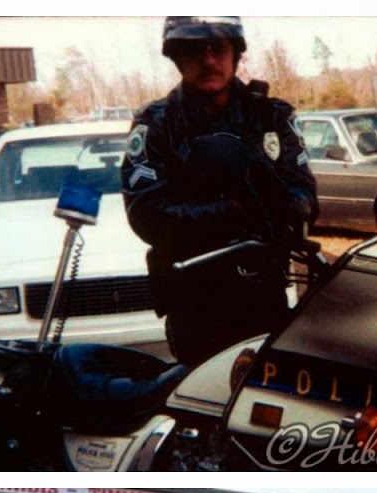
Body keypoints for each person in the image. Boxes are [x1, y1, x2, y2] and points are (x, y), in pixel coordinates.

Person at [121, 17, 317, 366]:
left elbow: (305, 200)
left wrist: (280, 204)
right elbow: (146, 215)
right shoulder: (157, 123)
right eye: (195, 50)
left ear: (236, 53)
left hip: (264, 297)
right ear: (177, 57)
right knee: (196, 392)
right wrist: (235, 210)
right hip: (194, 306)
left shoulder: (272, 116)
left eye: (219, 48)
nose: (209, 60)